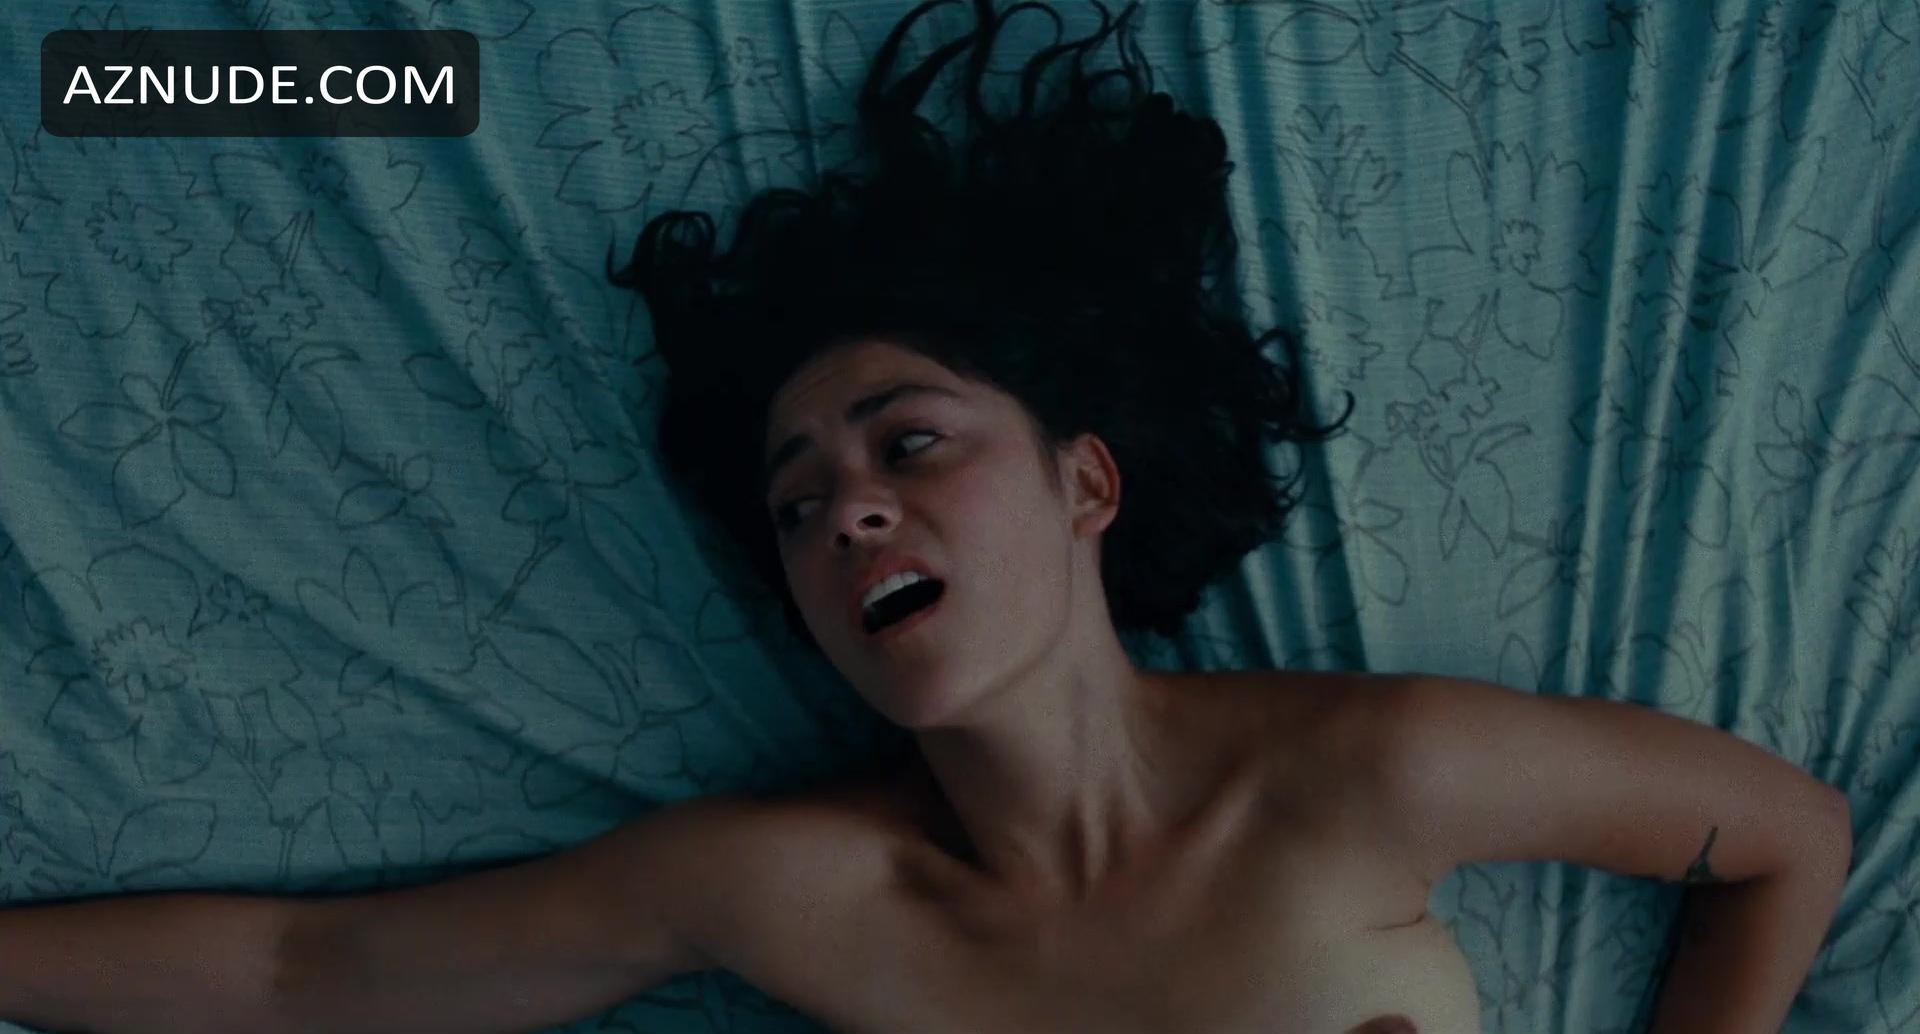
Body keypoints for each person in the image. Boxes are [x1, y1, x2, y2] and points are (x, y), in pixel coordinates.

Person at [0, 1, 1852, 1032]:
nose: (849, 516)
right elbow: (305, 970)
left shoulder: (1367, 775)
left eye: (908, 444)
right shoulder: (801, 891)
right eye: (799, 501)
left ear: (1085, 479)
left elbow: (1783, 837)